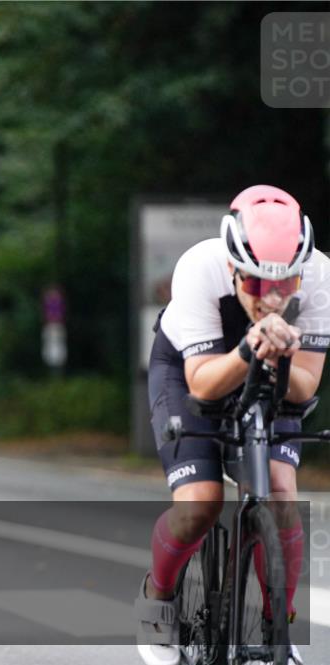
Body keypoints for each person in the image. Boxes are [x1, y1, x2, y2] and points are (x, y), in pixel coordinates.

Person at [136, 185, 328, 665]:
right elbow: (202, 386)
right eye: (258, 284)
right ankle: (157, 600)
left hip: (273, 371)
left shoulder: (322, 277)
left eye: (286, 285)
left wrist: (278, 354)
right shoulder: (199, 267)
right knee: (200, 503)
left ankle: (277, 629)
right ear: (233, 269)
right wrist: (249, 348)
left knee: (280, 492)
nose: (273, 297)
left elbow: (304, 388)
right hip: (190, 368)